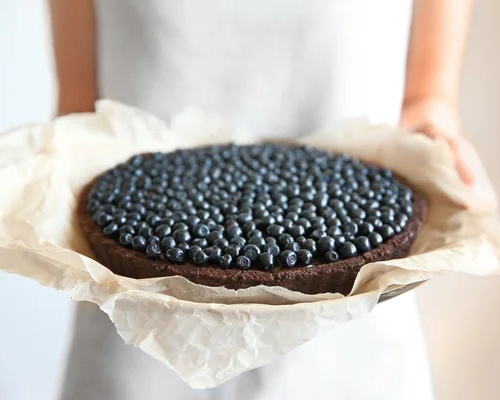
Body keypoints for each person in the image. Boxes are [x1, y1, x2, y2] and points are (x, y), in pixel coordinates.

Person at [50, 1, 474, 399]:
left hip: (351, 344)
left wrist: (435, 132)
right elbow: (82, 116)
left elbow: (426, 99)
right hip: (136, 340)